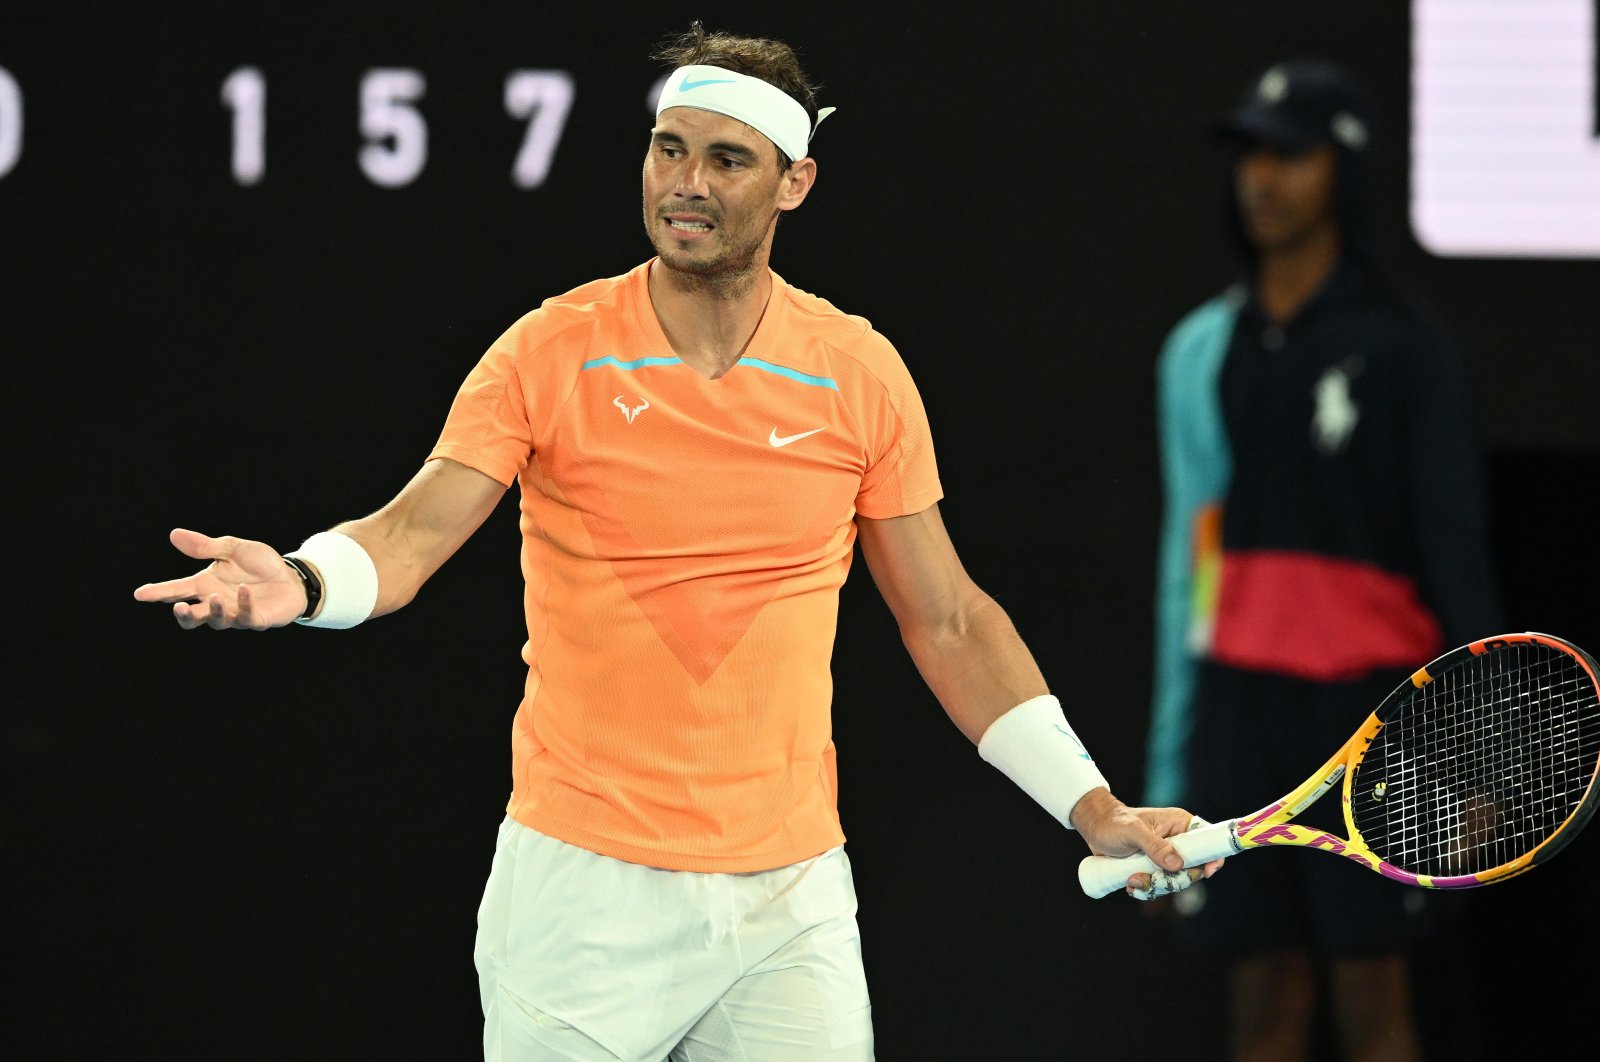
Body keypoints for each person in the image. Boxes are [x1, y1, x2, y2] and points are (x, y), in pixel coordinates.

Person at [135, 22, 1218, 1062]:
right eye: (668, 149)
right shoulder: (548, 351)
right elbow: (411, 535)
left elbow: (948, 618)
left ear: (793, 182)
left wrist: (1091, 806)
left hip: (790, 894)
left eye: (726, 159)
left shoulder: (858, 371)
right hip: (580, 890)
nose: (685, 183)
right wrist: (307, 579)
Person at [1141, 58, 1504, 1062]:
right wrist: (1173, 764)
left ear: (1339, 168)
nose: (1262, 177)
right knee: (1259, 1003)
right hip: (1238, 718)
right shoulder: (1206, 350)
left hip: (1372, 718)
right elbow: (1191, 569)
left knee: (1373, 1003)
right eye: (1249, 154)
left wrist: (1468, 754)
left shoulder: (1406, 348)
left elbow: (1452, 551)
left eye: (1289, 155)